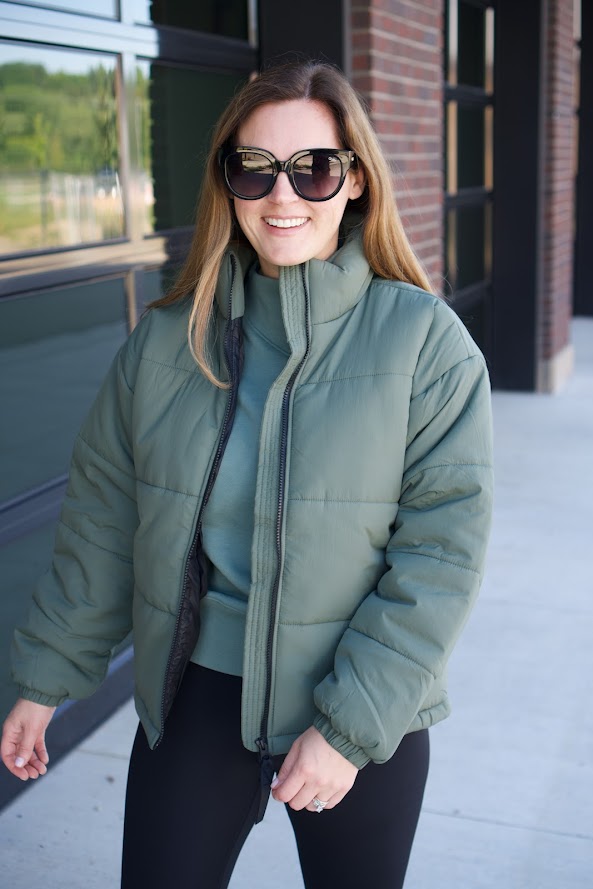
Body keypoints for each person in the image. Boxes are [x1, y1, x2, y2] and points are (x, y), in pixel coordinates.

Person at [1, 60, 494, 889]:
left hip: (359, 707)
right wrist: (48, 677)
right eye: (254, 168)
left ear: (356, 180)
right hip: (196, 699)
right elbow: (101, 526)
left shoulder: (424, 343)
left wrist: (345, 731)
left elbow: (440, 557)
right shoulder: (165, 344)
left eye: (313, 168)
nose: (282, 194)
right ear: (226, 182)